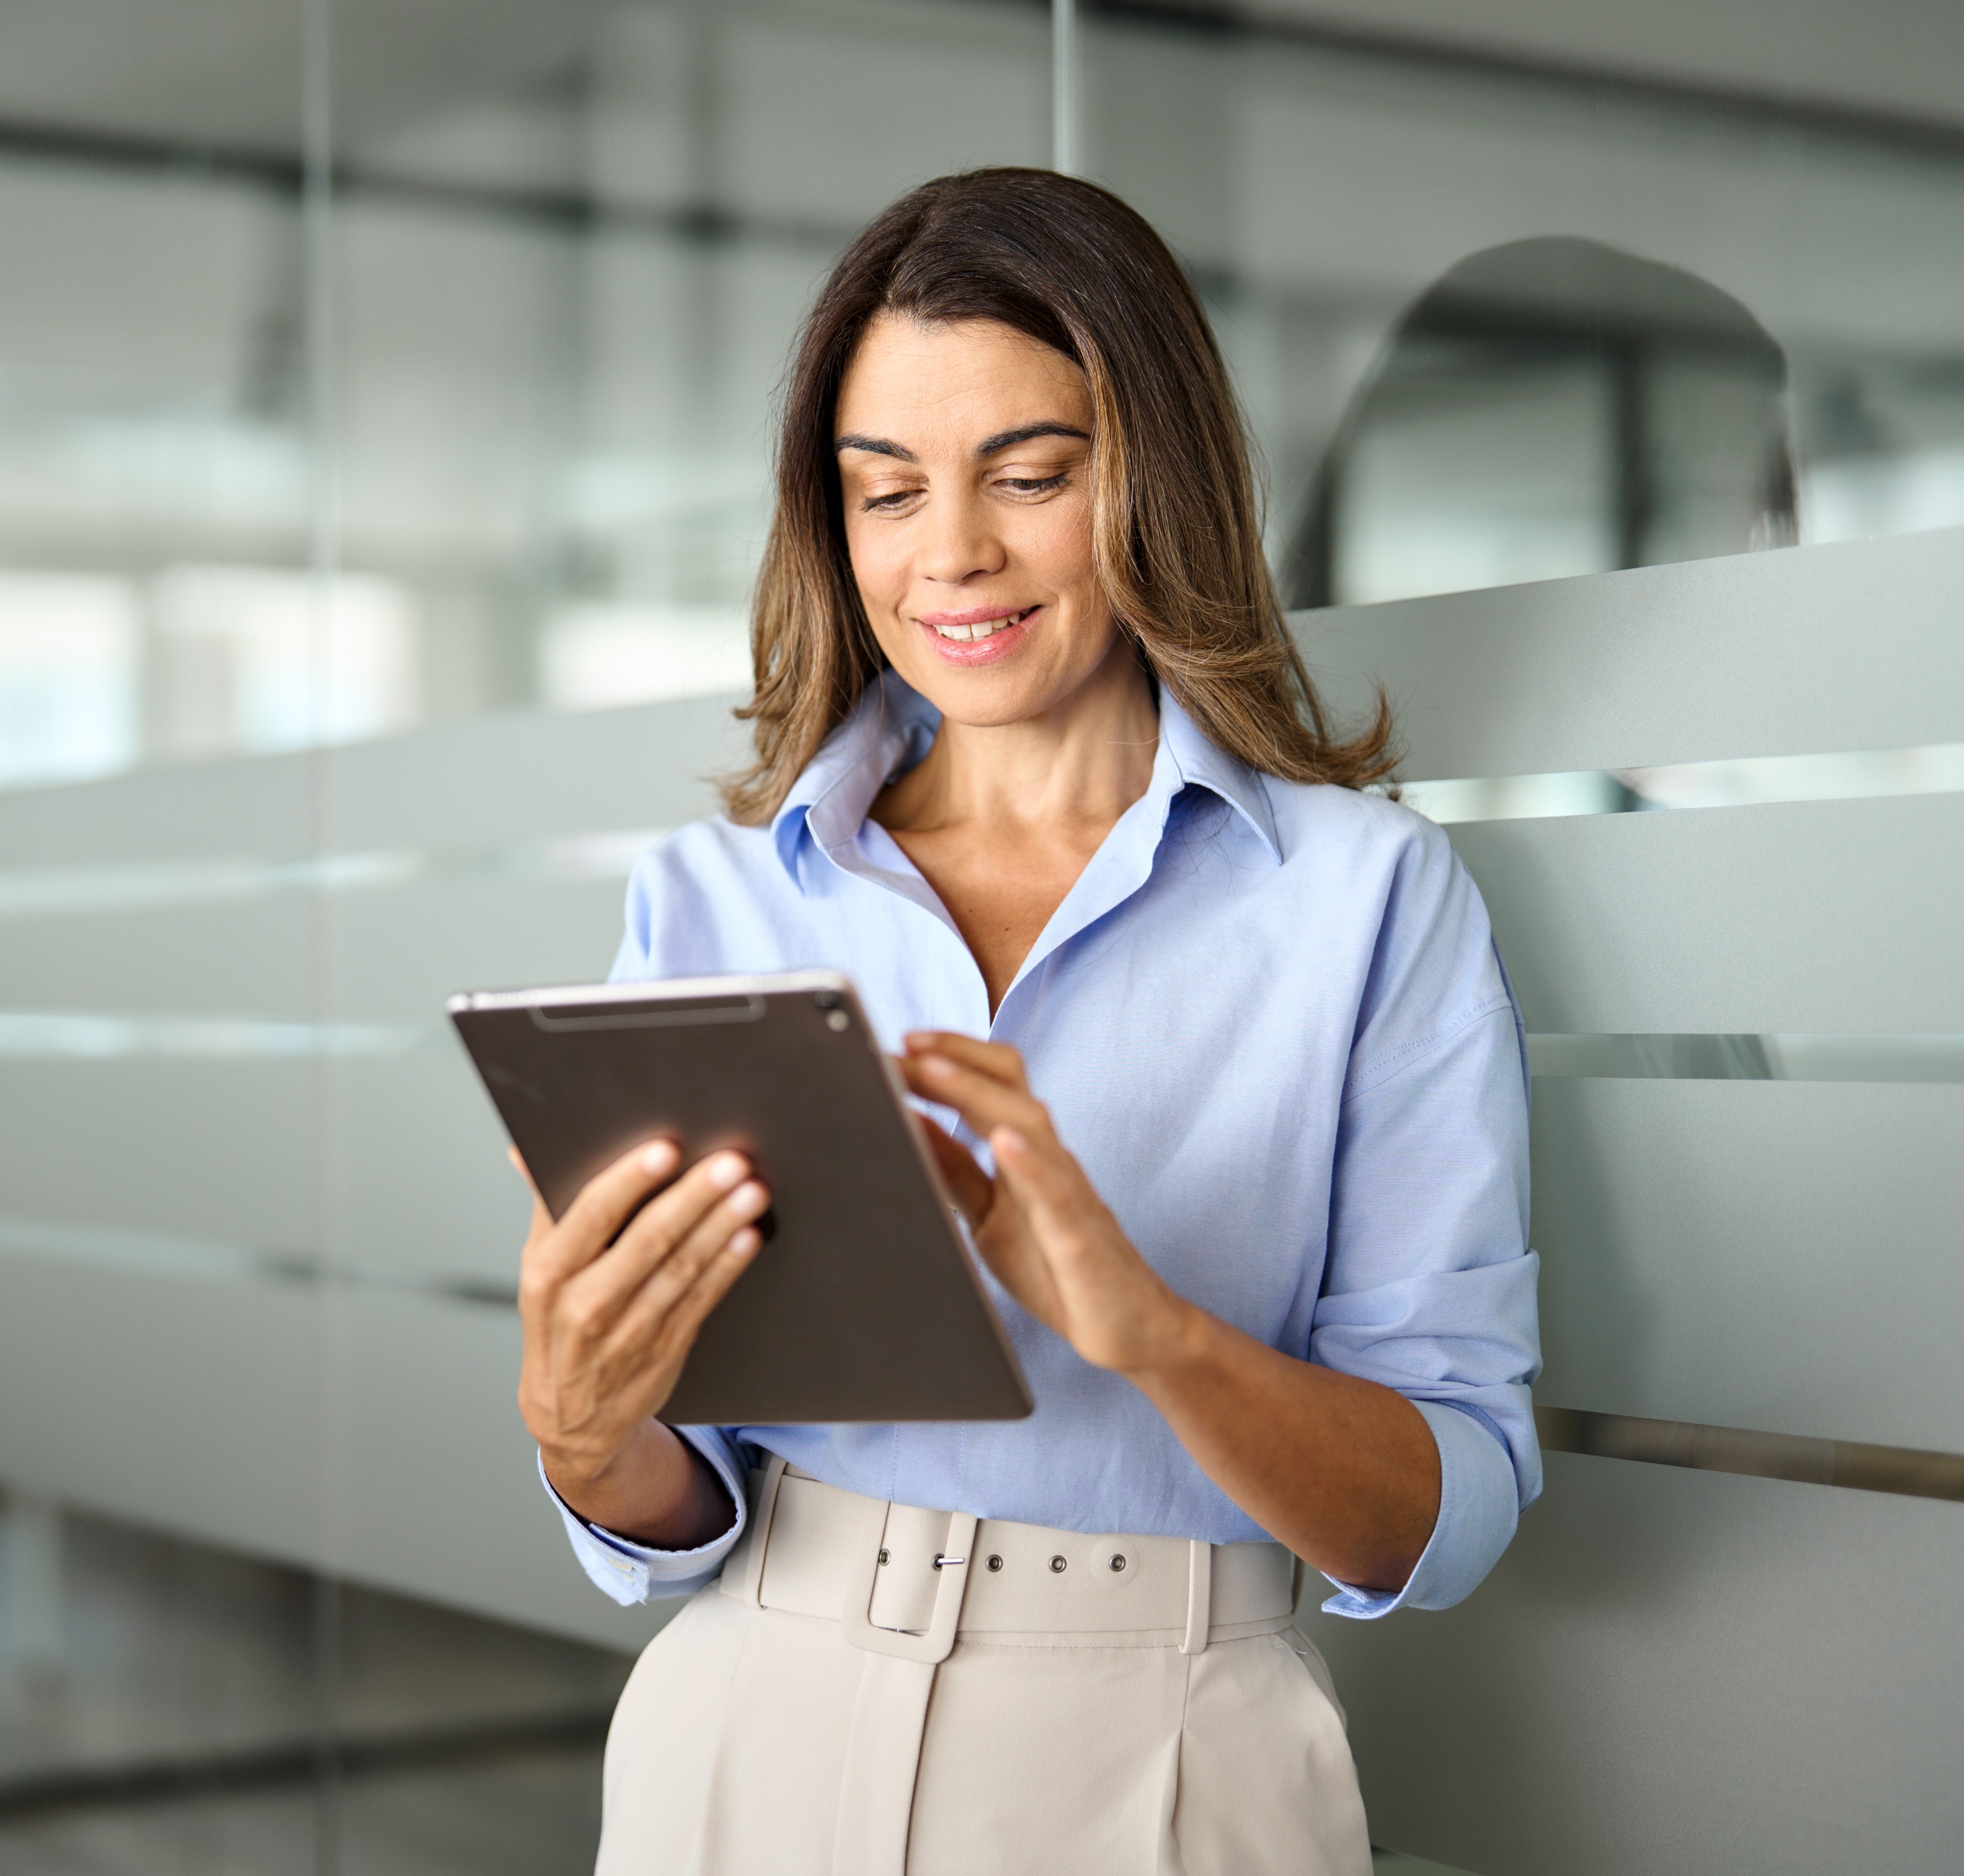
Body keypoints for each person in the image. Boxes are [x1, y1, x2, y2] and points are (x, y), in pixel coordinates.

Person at [512, 168, 1541, 1875]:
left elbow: (1454, 1499)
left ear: (1154, 477)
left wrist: (1156, 1334)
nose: (952, 555)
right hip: (747, 1718)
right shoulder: (714, 900)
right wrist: (578, 1424)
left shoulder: (1367, 898)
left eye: (1029, 475)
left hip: (1172, 1744)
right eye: (886, 491)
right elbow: (670, 1495)